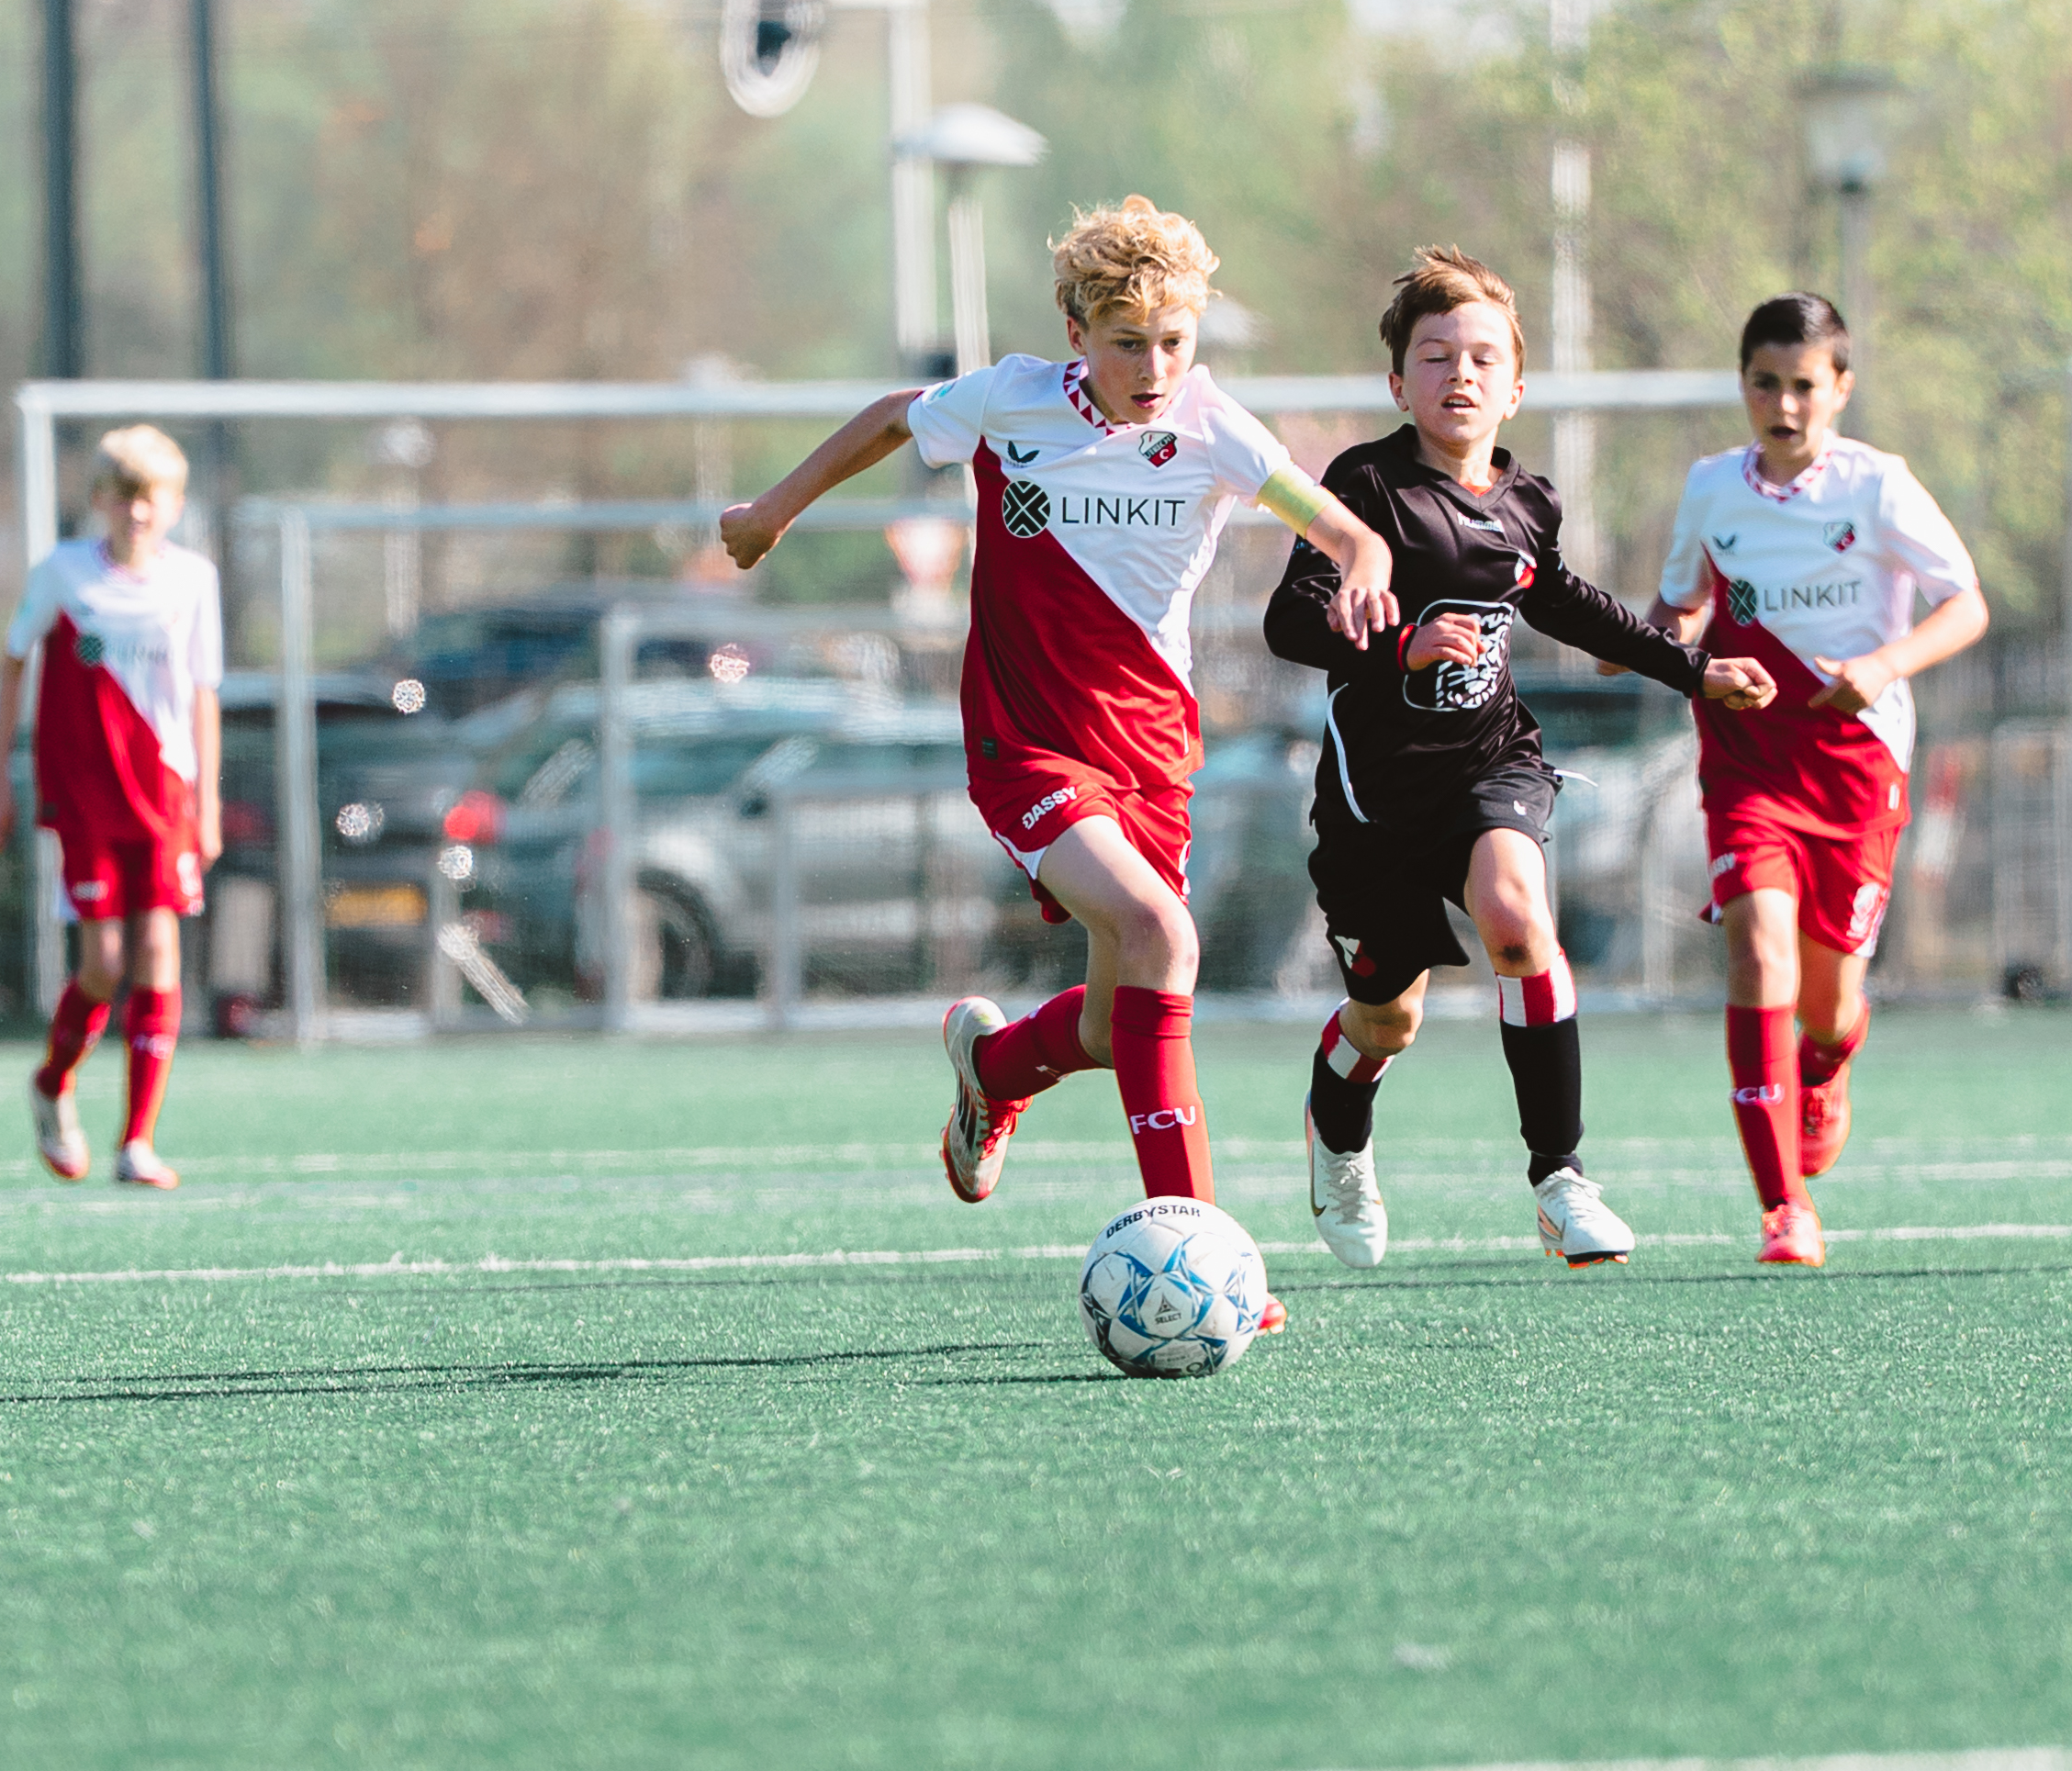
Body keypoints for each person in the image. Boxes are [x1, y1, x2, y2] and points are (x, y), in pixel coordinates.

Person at [720, 196, 1397, 1304]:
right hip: (1027, 744)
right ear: (1078, 330)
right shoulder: (1015, 399)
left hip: (1151, 757)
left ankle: (992, 1070)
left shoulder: (1215, 424)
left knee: (1103, 1020)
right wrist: (774, 510)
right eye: (1129, 341)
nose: (1154, 365)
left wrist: (1363, 556)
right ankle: (1207, 1256)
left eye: (1173, 342)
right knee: (1159, 933)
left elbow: (1337, 525)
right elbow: (899, 415)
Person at [1263, 248, 1778, 1270]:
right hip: (1377, 804)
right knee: (1386, 1016)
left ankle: (1559, 1178)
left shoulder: (1525, 502)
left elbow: (1569, 600)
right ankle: (1338, 1132)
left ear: (1515, 385)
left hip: (1491, 763)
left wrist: (1693, 670)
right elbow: (1290, 618)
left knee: (1516, 915)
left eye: (1482, 357)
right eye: (1436, 354)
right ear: (1397, 380)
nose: (1460, 373)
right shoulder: (1361, 483)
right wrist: (1394, 639)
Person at [1623, 292, 1988, 1267]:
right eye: (1764, 384)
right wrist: (1636, 641)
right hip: (1747, 760)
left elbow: (1966, 606)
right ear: (1743, 385)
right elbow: (1682, 606)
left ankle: (1824, 1065)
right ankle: (1783, 1204)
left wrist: (1883, 664)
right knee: (1758, 953)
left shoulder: (1878, 487)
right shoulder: (1711, 488)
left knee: (1825, 1006)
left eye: (1804, 385)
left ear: (1840, 389)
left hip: (1856, 764)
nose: (1784, 404)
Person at [0, 424, 225, 1190]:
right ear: (99, 501)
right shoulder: (62, 575)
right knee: (104, 964)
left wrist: (208, 801)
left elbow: (201, 692)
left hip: (165, 797)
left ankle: (137, 1142)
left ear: (174, 505)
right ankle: (53, 1082)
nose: (137, 511)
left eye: (151, 497)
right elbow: (14, 661)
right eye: (123, 495)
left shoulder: (193, 581)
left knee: (158, 952)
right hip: (84, 797)